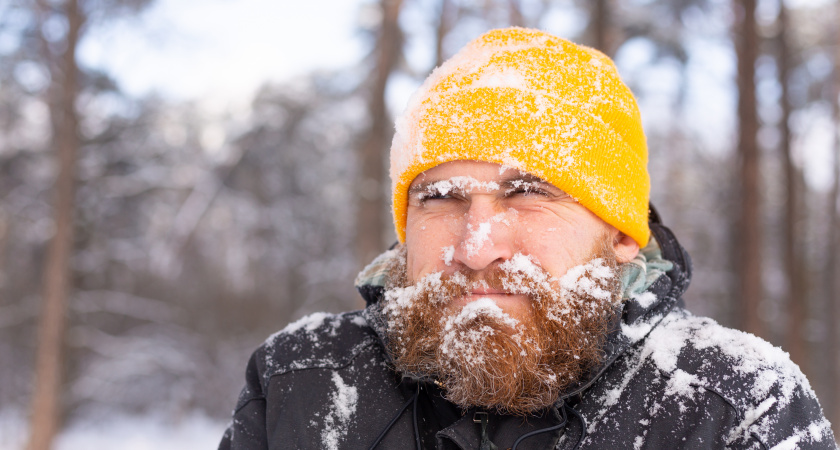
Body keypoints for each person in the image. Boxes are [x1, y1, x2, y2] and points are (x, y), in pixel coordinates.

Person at [218, 27, 836, 449]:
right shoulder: (299, 380)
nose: (477, 245)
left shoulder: (733, 406)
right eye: (441, 197)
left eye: (529, 193)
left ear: (621, 233)